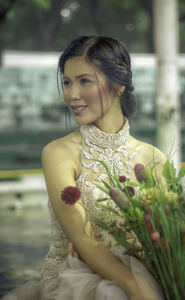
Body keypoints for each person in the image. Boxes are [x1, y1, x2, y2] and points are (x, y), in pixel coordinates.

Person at [2, 36, 166, 300]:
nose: (72, 94)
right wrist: (138, 289)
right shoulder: (59, 153)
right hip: (75, 285)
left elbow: (166, 241)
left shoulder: (154, 159)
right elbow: (83, 240)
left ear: (118, 85)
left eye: (84, 81)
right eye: (67, 82)